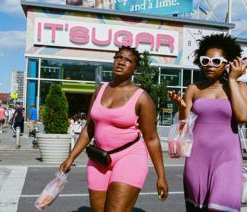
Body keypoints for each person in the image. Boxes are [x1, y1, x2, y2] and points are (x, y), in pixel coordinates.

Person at [60, 46, 168, 211]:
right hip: (99, 159)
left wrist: (161, 176)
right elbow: (89, 129)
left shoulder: (142, 98)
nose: (121, 62)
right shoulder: (99, 91)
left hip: (129, 157)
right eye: (118, 58)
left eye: (128, 60)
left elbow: (151, 139)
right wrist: (71, 158)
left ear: (135, 68)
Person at [168, 34, 247, 212]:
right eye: (205, 60)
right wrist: (183, 108)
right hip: (197, 158)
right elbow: (183, 127)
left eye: (216, 61)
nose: (209, 65)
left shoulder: (239, 87)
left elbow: (243, 117)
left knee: (218, 208)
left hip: (227, 158)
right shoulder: (194, 89)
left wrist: (232, 80)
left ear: (227, 63)